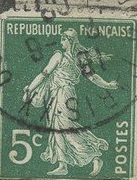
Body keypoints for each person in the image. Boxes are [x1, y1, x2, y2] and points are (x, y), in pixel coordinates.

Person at [23, 28, 117, 176]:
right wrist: (108, 85)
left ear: (70, 41)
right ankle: (63, 165)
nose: (61, 42)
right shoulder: (79, 59)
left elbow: (44, 73)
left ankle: (94, 155)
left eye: (63, 39)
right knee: (58, 127)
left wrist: (30, 88)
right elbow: (93, 77)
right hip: (63, 95)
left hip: (62, 94)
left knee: (64, 126)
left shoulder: (59, 56)